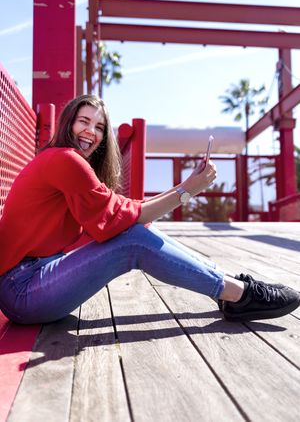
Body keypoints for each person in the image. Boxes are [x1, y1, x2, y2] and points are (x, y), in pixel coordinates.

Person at [0, 94, 299, 325]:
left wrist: (185, 185)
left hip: (33, 279)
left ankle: (233, 284)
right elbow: (125, 218)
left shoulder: (65, 161)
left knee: (139, 229)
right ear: (68, 123)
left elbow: (127, 211)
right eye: (84, 121)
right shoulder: (65, 160)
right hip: (22, 291)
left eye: (100, 127)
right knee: (134, 242)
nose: (91, 131)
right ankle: (239, 295)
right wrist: (189, 191)